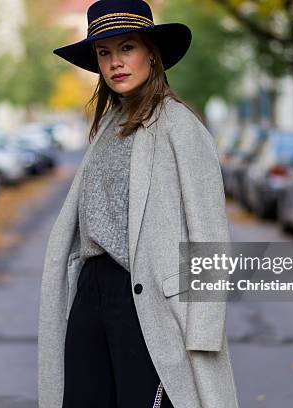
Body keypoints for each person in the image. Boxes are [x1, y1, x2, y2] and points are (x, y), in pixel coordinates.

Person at [38, 1, 239, 407]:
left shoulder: (179, 126)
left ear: (151, 52)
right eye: (104, 52)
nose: (116, 62)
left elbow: (209, 234)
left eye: (126, 47)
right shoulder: (108, 125)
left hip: (146, 303)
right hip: (92, 295)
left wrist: (202, 328)